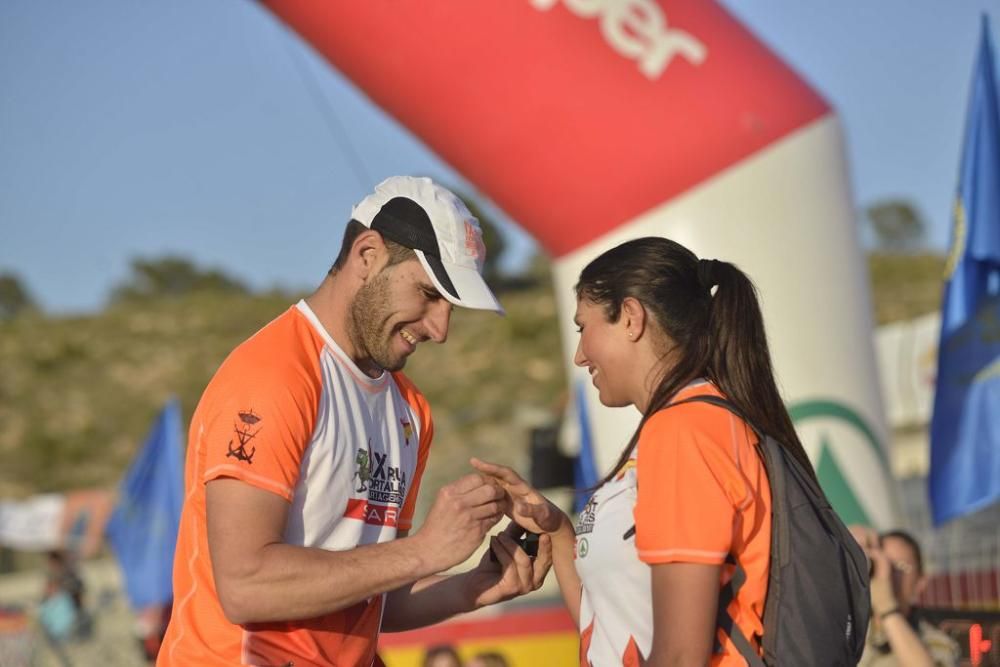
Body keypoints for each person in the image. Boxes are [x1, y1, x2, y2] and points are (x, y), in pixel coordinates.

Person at [158, 176, 551, 666]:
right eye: (429, 294)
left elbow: (371, 593)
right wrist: (425, 550)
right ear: (367, 255)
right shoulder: (273, 375)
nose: (441, 328)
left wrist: (474, 585)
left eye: (452, 308)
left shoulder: (410, 410)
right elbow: (245, 584)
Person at [474, 236, 815, 665]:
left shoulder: (684, 428)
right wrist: (559, 530)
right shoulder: (680, 423)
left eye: (584, 327)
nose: (580, 355)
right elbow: (615, 630)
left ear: (631, 318)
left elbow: (678, 657)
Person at [851, 527, 959, 667]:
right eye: (883, 563)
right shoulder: (849, 625)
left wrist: (887, 609)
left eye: (900, 567)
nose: (888, 574)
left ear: (920, 582)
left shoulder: (938, 645)